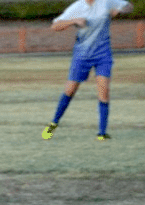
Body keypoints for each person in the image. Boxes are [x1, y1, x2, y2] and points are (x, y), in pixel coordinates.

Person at [41, 0, 133, 141]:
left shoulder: (106, 2)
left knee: (104, 91)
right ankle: (53, 124)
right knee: (70, 91)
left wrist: (120, 10)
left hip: (103, 53)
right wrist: (73, 21)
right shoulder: (78, 7)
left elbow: (128, 6)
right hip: (82, 55)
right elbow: (55, 26)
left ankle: (102, 133)